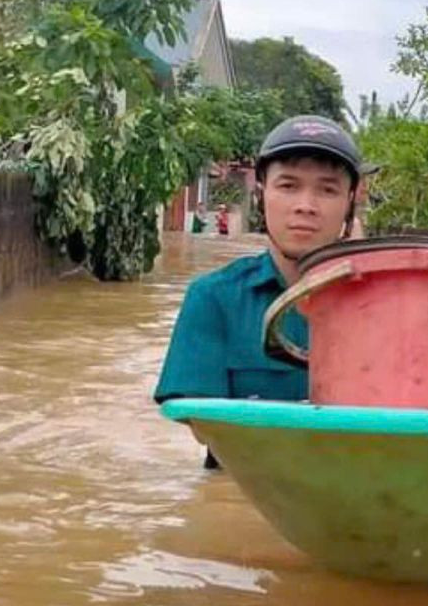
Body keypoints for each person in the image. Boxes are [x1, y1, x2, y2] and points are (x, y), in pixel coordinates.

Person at [154, 115, 379, 420]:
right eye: (288, 186)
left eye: (328, 190)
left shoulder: (384, 305)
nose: (306, 205)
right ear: (261, 193)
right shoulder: (213, 298)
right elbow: (202, 423)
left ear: (351, 201)